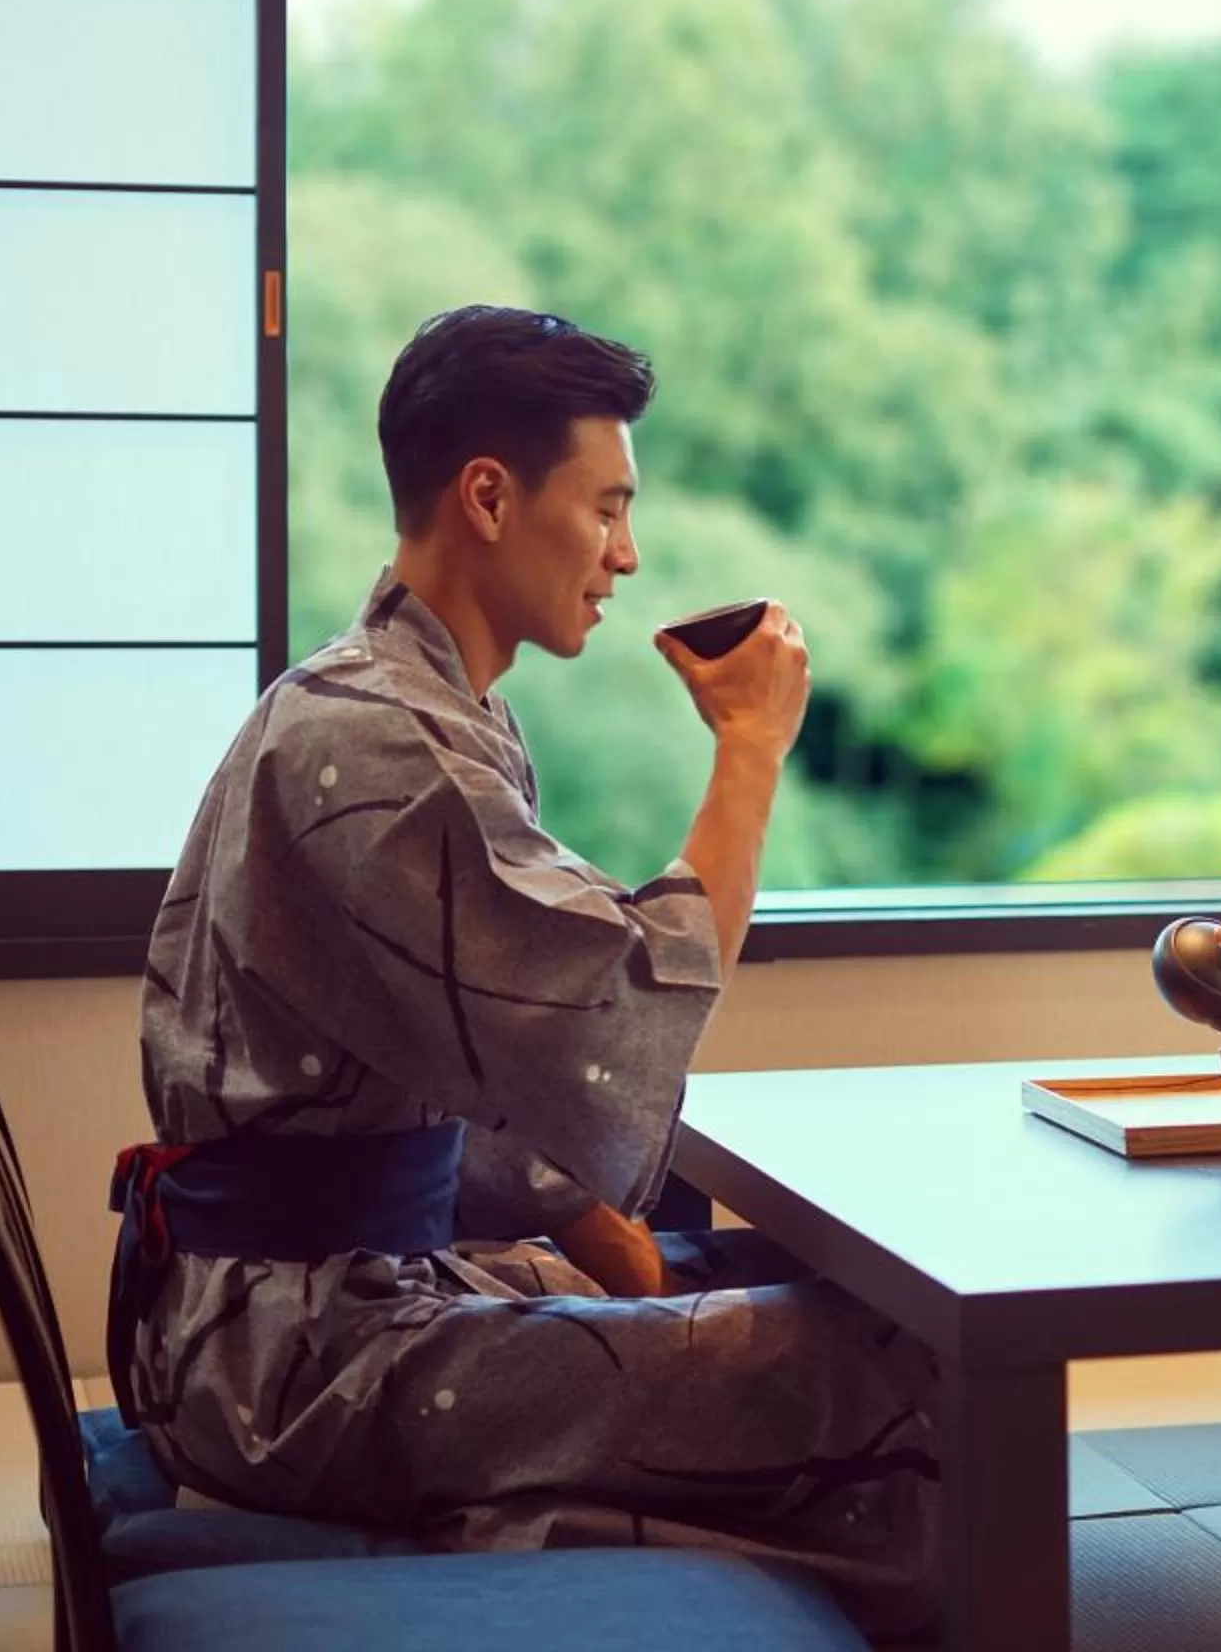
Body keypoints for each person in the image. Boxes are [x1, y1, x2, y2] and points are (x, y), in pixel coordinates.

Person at [111, 306, 936, 1631]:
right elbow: (613, 1010)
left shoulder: (403, 701)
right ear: (489, 497)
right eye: (606, 507)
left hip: (310, 1299)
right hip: (302, 1359)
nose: (627, 553)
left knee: (758, 1292)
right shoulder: (388, 748)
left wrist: (596, 1227)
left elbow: (470, 1072)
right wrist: (749, 752)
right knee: (880, 1359)